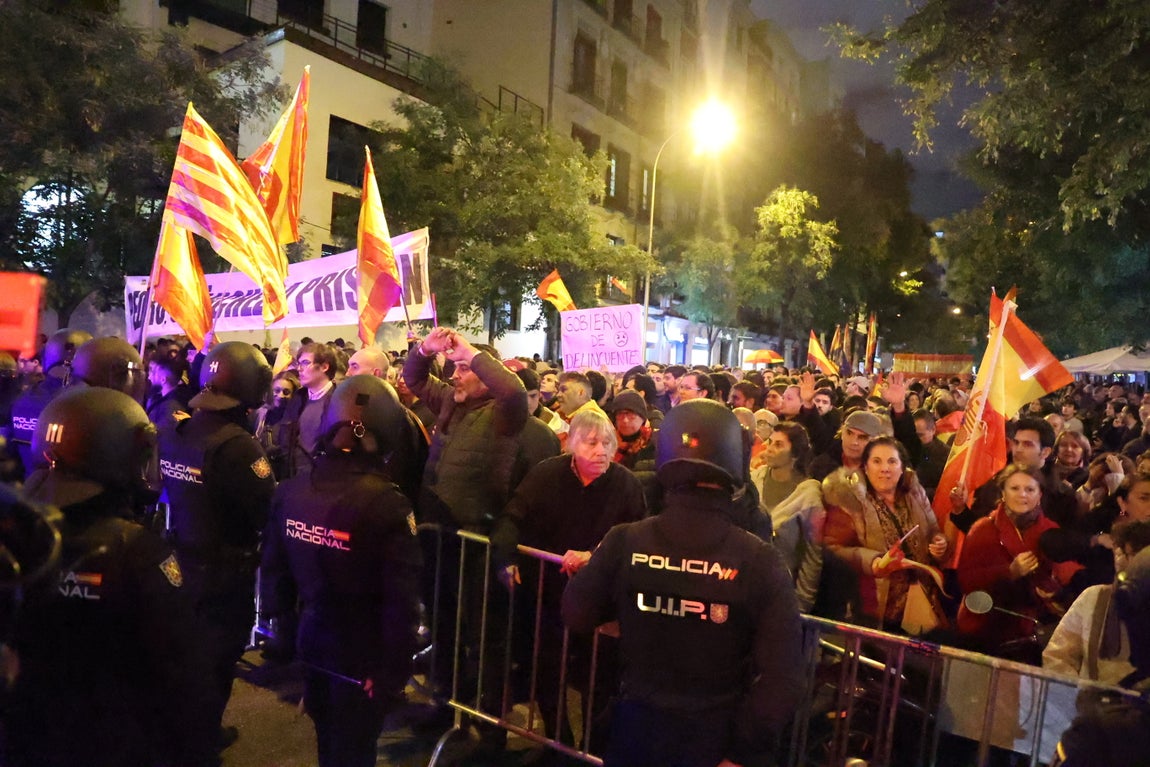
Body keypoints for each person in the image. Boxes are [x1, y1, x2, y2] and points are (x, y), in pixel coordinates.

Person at [562, 399, 804, 767]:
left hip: (636, 731)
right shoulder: (759, 559)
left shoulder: (625, 540)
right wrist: (741, 752)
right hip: (713, 737)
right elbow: (783, 677)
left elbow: (577, 612)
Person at [9, 387, 216, 767]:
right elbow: (179, 673)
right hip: (113, 740)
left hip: (27, 737)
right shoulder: (137, 551)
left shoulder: (16, 535)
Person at [259, 375, 422, 767]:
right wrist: (393, 672)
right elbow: (401, 601)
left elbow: (275, 573)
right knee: (354, 749)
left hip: (313, 638)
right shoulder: (388, 504)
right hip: (364, 654)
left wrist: (287, 633)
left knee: (328, 741)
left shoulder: (292, 491)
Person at [491, 409, 645, 744]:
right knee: (547, 672)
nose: (601, 450)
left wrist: (595, 555)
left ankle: (593, 748)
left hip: (599, 602)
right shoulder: (547, 474)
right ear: (571, 444)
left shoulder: (626, 484)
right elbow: (512, 517)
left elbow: (636, 538)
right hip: (547, 594)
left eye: (607, 443)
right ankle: (558, 744)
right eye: (591, 443)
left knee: (597, 680)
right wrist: (506, 558)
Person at [157, 341, 277, 743]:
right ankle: (201, 741)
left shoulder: (180, 429)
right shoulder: (237, 445)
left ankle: (184, 734)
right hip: (225, 573)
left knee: (188, 657)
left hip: (183, 561)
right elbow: (266, 510)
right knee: (217, 661)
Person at [823, 436, 952, 635]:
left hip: (921, 601)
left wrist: (939, 543)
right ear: (865, 467)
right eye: (877, 461)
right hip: (878, 608)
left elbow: (933, 530)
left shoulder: (913, 492)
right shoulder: (850, 500)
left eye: (892, 461)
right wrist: (873, 561)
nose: (885, 468)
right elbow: (834, 549)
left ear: (902, 468)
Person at [956, 464, 1083, 662]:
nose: (1022, 494)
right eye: (1014, 488)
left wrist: (1055, 591)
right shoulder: (982, 530)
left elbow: (1067, 574)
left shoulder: (1051, 531)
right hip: (985, 628)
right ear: (1003, 493)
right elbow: (966, 581)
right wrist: (1009, 572)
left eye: (1030, 489)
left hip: (1032, 633)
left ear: (1040, 495)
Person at [1050, 547, 1150, 767]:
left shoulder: (1100, 731)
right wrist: (1075, 697)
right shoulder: (1094, 598)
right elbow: (1057, 656)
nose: (1122, 559)